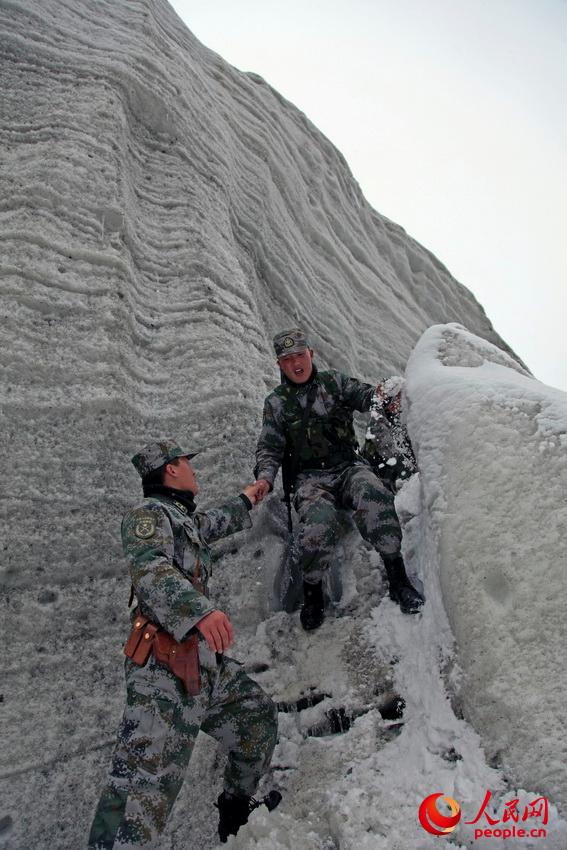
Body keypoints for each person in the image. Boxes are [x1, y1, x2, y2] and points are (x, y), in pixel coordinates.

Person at [88, 440, 280, 849]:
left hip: (204, 666)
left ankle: (235, 808)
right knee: (141, 789)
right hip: (162, 673)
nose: (194, 471)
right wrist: (200, 611)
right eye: (186, 464)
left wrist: (248, 498)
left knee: (256, 716)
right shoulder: (148, 515)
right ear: (171, 470)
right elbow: (151, 569)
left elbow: (212, 524)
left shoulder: (181, 519)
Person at [254, 328, 424, 630]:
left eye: (300, 355)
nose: (296, 363)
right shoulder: (276, 403)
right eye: (287, 359)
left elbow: (366, 396)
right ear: (279, 365)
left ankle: (398, 578)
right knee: (319, 524)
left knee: (374, 495)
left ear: (311, 355)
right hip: (310, 480)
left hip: (348, 468)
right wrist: (265, 479)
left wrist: (384, 395)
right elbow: (269, 447)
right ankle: (313, 594)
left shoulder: (333, 382)